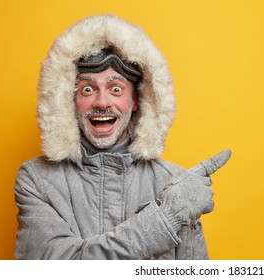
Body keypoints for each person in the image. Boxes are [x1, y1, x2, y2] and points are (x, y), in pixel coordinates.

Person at [14, 15, 231, 260]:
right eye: (87, 89)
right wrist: (166, 217)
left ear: (137, 100)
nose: (102, 102)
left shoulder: (176, 184)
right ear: (68, 99)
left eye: (116, 89)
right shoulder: (37, 180)